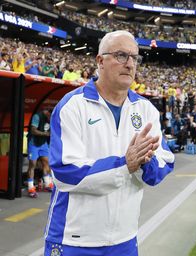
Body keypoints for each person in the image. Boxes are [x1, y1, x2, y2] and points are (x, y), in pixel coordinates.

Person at [44, 30, 175, 256]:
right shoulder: (73, 106)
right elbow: (65, 172)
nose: (130, 64)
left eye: (135, 57)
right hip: (73, 240)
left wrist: (146, 162)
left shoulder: (146, 110)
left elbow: (165, 162)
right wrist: (125, 165)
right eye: (121, 55)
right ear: (100, 61)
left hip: (124, 239)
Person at [27, 109, 53, 198]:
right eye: (51, 117)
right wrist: (46, 134)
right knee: (32, 164)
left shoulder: (51, 118)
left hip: (43, 144)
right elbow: (33, 130)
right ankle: (31, 188)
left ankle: (47, 184)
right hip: (33, 143)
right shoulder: (37, 116)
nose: (52, 120)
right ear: (48, 114)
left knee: (47, 162)